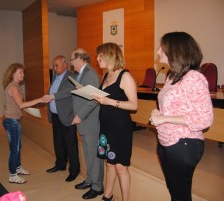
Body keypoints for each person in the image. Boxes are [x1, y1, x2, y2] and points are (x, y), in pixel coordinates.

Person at [149, 32, 213, 201]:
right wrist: (159, 114)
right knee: (174, 190)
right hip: (165, 142)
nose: (157, 52)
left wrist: (165, 119)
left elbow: (204, 119)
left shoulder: (194, 78)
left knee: (180, 196)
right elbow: (173, 108)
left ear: (175, 51)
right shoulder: (171, 76)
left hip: (184, 144)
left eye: (161, 48)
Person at [92, 43, 138, 201]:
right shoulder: (106, 75)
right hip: (106, 127)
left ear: (110, 55)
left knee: (120, 166)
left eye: (100, 55)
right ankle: (107, 195)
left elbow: (134, 105)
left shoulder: (125, 76)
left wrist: (109, 102)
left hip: (120, 128)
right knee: (109, 163)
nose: (97, 59)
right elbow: (105, 99)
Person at [70, 48, 104, 199]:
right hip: (84, 121)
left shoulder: (90, 73)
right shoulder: (82, 73)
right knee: (88, 153)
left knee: (94, 156)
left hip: (89, 121)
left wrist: (79, 116)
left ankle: (97, 186)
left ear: (79, 59)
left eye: (72, 60)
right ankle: (90, 180)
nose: (71, 63)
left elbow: (93, 100)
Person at [2, 63, 44, 184]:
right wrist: (40, 99)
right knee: (14, 149)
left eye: (23, 72)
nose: (23, 74)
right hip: (11, 121)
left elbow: (19, 105)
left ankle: (18, 168)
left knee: (18, 147)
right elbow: (21, 105)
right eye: (20, 72)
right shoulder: (13, 87)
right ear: (13, 74)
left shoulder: (16, 86)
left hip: (14, 120)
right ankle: (12, 175)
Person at [43, 55, 80, 182]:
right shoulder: (54, 76)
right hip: (55, 116)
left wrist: (53, 96)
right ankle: (60, 164)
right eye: (53, 65)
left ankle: (74, 170)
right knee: (58, 143)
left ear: (64, 65)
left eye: (56, 65)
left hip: (66, 115)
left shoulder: (71, 76)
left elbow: (70, 91)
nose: (54, 68)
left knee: (70, 145)